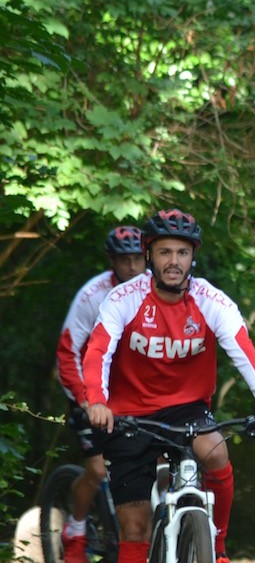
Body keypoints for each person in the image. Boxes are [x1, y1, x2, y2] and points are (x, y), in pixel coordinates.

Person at [83, 209, 255, 563]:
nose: (174, 261)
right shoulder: (124, 298)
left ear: (193, 256)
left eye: (182, 252)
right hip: (128, 414)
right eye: (165, 252)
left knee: (216, 452)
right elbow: (98, 351)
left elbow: (243, 352)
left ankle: (220, 545)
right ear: (149, 255)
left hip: (186, 407)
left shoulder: (210, 300)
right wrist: (97, 400)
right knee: (134, 530)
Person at [55, 226, 147, 563]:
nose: (134, 267)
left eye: (139, 259)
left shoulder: (155, 289)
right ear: (112, 262)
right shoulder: (92, 294)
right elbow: (67, 352)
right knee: (96, 470)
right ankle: (76, 530)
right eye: (126, 260)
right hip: (86, 389)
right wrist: (85, 397)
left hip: (131, 391)